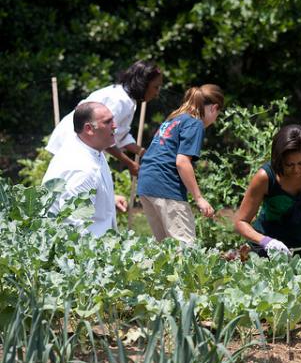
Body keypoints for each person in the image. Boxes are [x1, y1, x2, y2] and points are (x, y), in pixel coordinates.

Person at [234, 124, 301, 264]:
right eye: (289, 165)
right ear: (279, 161)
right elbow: (240, 222)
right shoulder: (265, 177)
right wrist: (266, 241)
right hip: (267, 252)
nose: (296, 170)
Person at [137, 85, 223, 245]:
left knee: (165, 248)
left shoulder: (175, 119)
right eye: (218, 114)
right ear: (214, 108)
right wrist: (199, 198)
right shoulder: (195, 123)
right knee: (185, 248)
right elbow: (182, 162)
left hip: (146, 184)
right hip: (165, 185)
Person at [46, 60, 163, 176]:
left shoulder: (128, 101)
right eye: (156, 87)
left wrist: (144, 153)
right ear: (143, 83)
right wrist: (130, 163)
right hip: (72, 145)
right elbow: (104, 136)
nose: (157, 93)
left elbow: (121, 136)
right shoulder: (118, 100)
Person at [42, 102, 127, 237]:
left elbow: (83, 192)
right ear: (89, 129)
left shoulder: (89, 148)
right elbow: (74, 225)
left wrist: (108, 199)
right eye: (108, 122)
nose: (115, 126)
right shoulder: (82, 170)